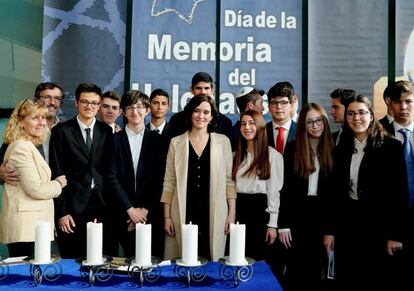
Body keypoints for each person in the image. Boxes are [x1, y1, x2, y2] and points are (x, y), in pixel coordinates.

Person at [323, 95, 407, 290]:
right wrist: (330, 230)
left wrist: (396, 235)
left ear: (371, 115)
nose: (356, 118)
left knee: (375, 278)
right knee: (349, 277)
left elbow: (399, 194)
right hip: (348, 225)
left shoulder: (391, 147)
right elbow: (334, 194)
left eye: (361, 112)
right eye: (351, 113)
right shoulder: (341, 147)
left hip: (378, 227)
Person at [161, 94, 236, 261]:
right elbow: (169, 182)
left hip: (214, 211)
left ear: (211, 117)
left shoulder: (223, 142)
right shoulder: (176, 142)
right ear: (190, 113)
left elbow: (229, 181)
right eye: (196, 111)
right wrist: (167, 217)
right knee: (184, 261)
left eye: (206, 112)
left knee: (211, 259)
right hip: (183, 210)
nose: (201, 116)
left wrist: (231, 214)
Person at [49, 83, 113, 258]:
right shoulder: (62, 131)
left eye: (94, 103)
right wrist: (62, 212)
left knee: (101, 260)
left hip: (102, 205)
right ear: (77, 103)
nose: (89, 106)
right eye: (84, 101)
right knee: (73, 260)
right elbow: (57, 172)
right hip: (72, 206)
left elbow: (110, 171)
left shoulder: (106, 131)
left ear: (99, 106)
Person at [278, 103, 334, 290]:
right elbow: (284, 189)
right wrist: (283, 224)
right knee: (296, 270)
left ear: (325, 121)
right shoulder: (293, 149)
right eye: (309, 122)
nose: (315, 126)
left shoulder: (334, 149)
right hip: (297, 216)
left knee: (318, 271)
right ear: (303, 125)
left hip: (323, 215)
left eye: (319, 120)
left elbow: (337, 196)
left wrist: (330, 230)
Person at [0, 99, 67, 257]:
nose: (41, 122)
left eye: (43, 118)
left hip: (34, 227)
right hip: (27, 229)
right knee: (30, 280)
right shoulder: (21, 147)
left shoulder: (27, 145)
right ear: (21, 122)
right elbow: (35, 189)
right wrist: (58, 184)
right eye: (34, 118)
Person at [106, 90, 167, 258]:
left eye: (140, 107)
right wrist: (130, 210)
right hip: (123, 214)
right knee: (128, 262)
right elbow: (111, 176)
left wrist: (144, 210)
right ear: (123, 112)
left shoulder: (158, 141)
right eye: (130, 107)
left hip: (151, 213)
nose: (135, 112)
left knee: (152, 263)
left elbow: (160, 178)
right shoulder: (113, 140)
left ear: (147, 110)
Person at [232, 110, 283, 261]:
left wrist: (272, 224)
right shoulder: (235, 156)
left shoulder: (273, 156)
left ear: (260, 126)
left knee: (259, 263)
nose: (247, 127)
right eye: (243, 124)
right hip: (238, 213)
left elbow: (274, 193)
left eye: (251, 123)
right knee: (237, 260)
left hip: (260, 214)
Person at [381, 80, 414, 289]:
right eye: (398, 102)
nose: (403, 107)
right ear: (388, 103)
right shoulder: (376, 133)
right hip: (386, 225)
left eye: (409, 101)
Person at [0, 82, 65, 184]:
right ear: (36, 100)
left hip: (61, 192)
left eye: (57, 98)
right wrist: (0, 173)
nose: (52, 102)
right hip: (30, 192)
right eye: (47, 97)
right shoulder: (22, 129)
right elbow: (2, 159)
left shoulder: (67, 128)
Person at [169, 72, 232, 138]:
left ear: (212, 90)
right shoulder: (176, 120)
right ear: (191, 90)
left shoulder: (224, 122)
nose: (203, 92)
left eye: (206, 88)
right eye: (198, 88)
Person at [266, 82, 297, 154]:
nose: (279, 107)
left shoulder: (302, 131)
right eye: (274, 103)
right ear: (269, 107)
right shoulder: (261, 132)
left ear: (292, 106)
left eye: (284, 103)